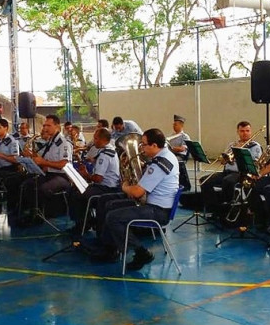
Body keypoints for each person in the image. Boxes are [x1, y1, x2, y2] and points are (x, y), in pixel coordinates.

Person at [94, 128, 180, 271]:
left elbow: (137, 192)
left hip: (158, 211)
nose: (141, 148)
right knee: (110, 205)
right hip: (155, 204)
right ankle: (110, 248)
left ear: (154, 145)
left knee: (113, 217)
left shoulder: (160, 164)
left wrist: (124, 186)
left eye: (144, 144)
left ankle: (141, 252)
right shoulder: (165, 156)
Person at [200, 121, 263, 218]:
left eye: (247, 131)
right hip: (227, 172)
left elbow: (254, 164)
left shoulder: (255, 146)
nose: (245, 133)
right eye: (242, 131)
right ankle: (214, 208)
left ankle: (227, 208)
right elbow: (223, 161)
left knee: (228, 181)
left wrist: (239, 154)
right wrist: (225, 159)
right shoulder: (232, 144)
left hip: (241, 173)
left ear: (251, 132)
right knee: (204, 181)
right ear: (238, 132)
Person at [17, 114, 72, 223]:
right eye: (45, 125)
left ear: (57, 126)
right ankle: (33, 212)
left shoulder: (64, 143)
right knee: (28, 184)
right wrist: (32, 156)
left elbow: (64, 164)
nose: (45, 128)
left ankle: (42, 215)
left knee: (44, 188)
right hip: (49, 174)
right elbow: (44, 159)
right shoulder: (50, 141)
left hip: (62, 176)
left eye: (48, 125)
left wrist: (44, 162)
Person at [68, 128, 121, 236]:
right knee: (73, 189)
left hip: (106, 188)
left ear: (103, 140)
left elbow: (98, 178)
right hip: (108, 186)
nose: (94, 141)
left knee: (77, 195)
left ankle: (83, 225)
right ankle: (87, 220)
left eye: (96, 138)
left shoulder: (104, 155)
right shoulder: (109, 150)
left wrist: (86, 174)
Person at [167, 114, 191, 192]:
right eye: (173, 125)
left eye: (176, 125)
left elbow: (182, 149)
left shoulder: (185, 136)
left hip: (180, 156)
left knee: (173, 161)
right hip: (172, 155)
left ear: (181, 125)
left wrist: (172, 148)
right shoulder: (171, 136)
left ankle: (184, 184)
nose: (174, 126)